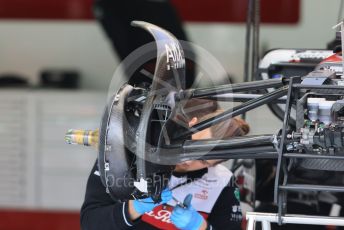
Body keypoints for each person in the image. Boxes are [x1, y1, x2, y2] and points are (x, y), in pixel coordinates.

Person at [80, 99, 249, 229]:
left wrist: (200, 227)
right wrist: (134, 208)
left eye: (202, 160)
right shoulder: (125, 155)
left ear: (214, 165)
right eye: (192, 146)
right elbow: (90, 222)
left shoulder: (223, 181)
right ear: (189, 126)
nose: (189, 160)